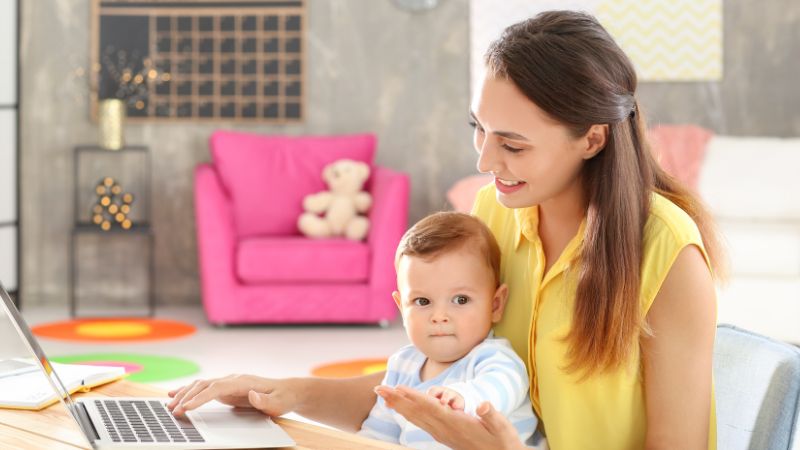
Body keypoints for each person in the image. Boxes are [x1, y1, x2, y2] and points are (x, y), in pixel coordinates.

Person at [168, 10, 723, 450]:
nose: (485, 160)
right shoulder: (494, 213)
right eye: (479, 130)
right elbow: (419, 393)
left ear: (592, 140)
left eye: (513, 144)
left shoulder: (668, 255)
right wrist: (276, 392)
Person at [356, 211, 537, 448]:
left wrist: (463, 398)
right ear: (402, 308)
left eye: (460, 300)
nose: (439, 317)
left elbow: (500, 389)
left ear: (495, 305)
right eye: (422, 302)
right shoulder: (402, 365)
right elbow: (378, 435)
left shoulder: (494, 359)